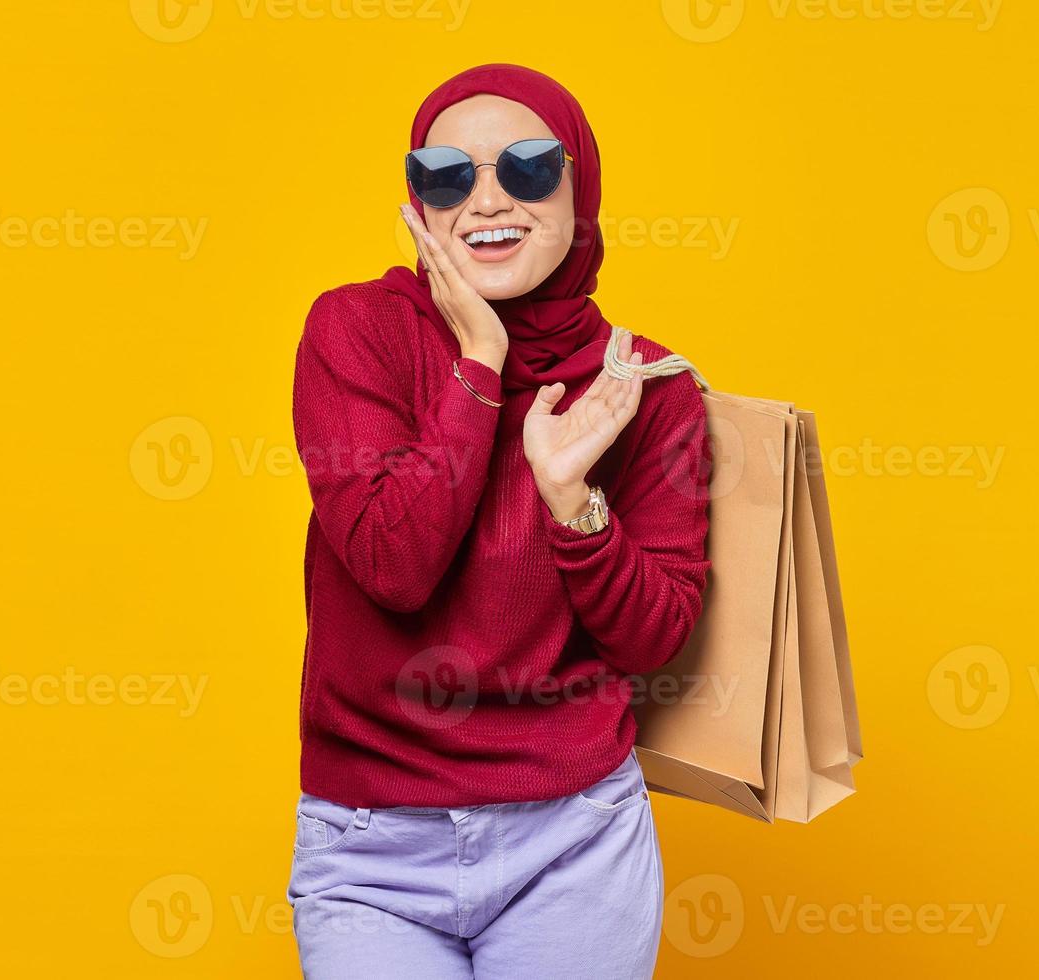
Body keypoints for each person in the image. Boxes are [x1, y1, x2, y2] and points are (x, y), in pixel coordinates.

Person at [287, 63, 712, 979]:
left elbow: (656, 639)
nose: (487, 199)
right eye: (447, 174)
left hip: (574, 838)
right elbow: (394, 564)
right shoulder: (354, 331)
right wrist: (482, 360)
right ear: (417, 200)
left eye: (526, 168)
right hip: (371, 845)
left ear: (578, 186)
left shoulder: (641, 384)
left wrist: (575, 507)